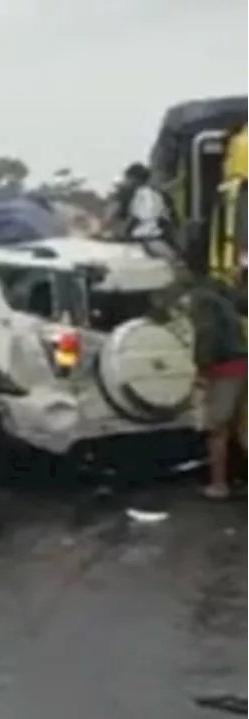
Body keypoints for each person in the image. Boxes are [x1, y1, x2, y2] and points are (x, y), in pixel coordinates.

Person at [182, 266, 249, 499]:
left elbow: (206, 335)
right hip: (243, 364)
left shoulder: (201, 302)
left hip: (224, 369)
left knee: (217, 431)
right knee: (240, 430)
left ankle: (219, 485)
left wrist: (203, 371)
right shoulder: (224, 297)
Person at [116, 162, 173, 253]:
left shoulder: (129, 193)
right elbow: (171, 221)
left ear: (132, 178)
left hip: (136, 244)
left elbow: (113, 215)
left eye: (127, 178)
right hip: (163, 243)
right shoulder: (164, 195)